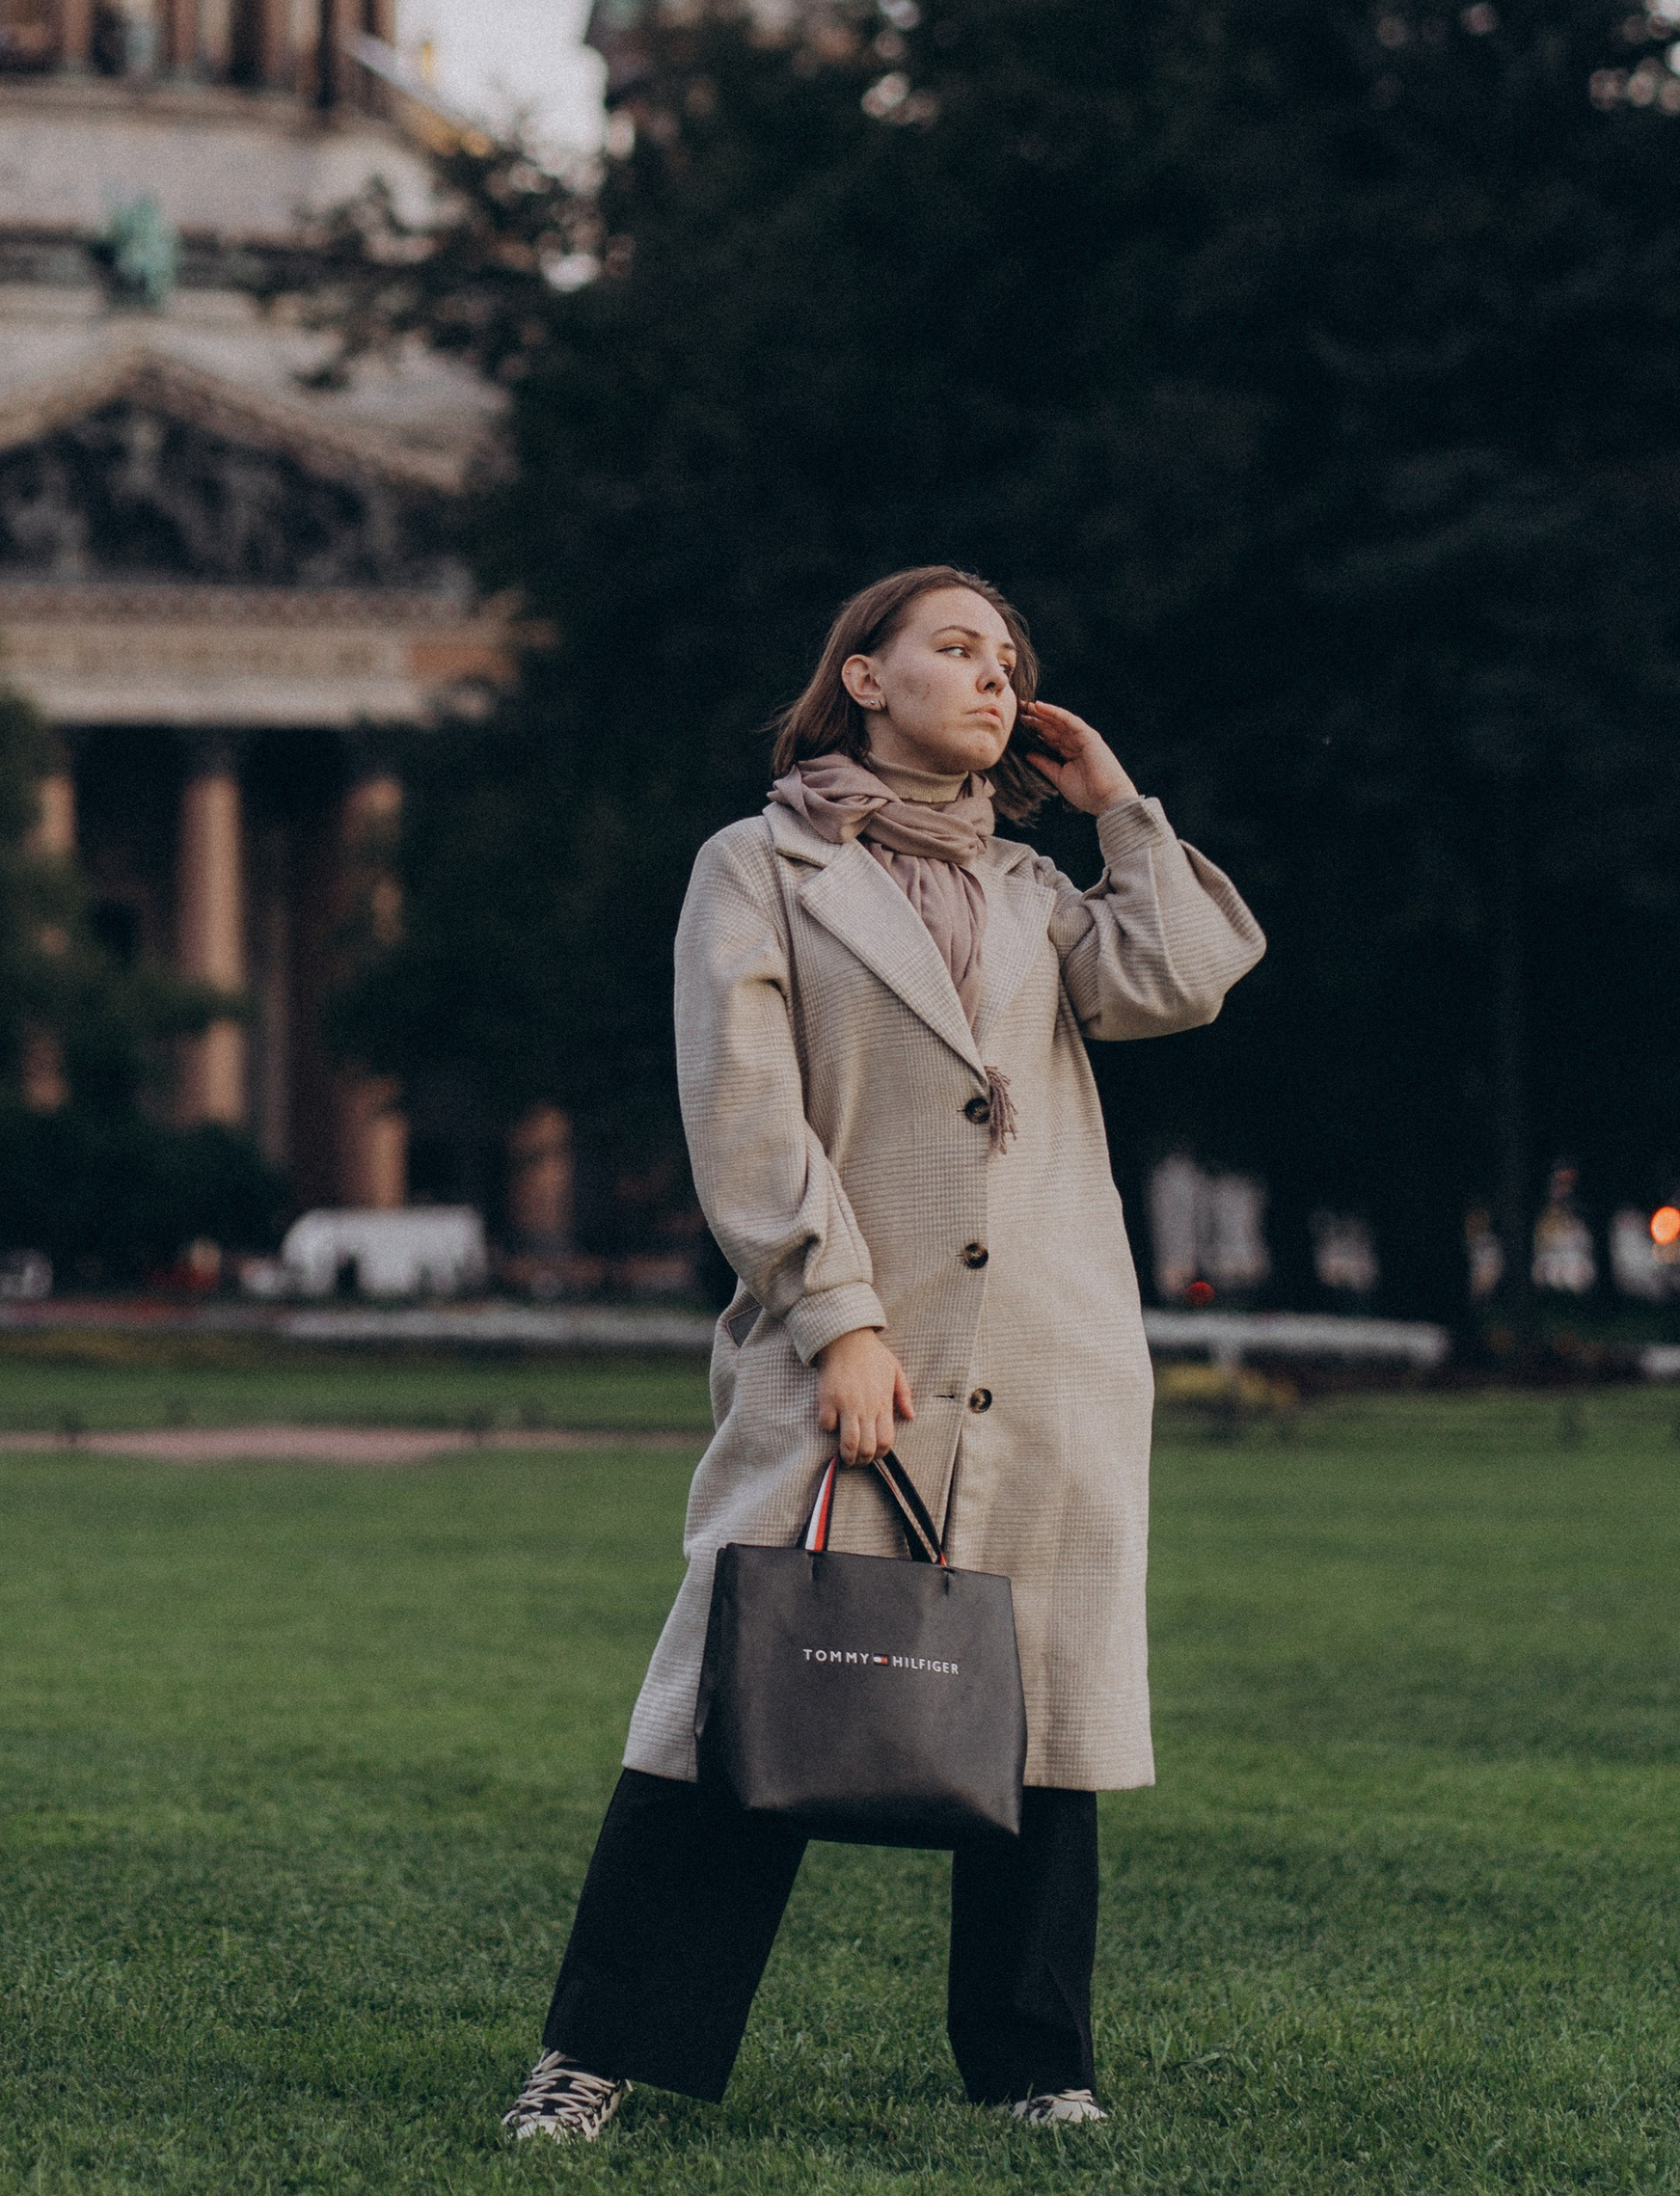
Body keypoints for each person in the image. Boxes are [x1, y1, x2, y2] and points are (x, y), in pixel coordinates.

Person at [502, 566, 1263, 2144]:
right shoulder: (756, 867)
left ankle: (1037, 2067)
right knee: (738, 1694)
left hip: (1050, 1356)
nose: (994, 678)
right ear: (862, 674)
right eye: (956, 649)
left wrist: (1120, 804)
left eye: (1010, 661)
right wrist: (837, 1317)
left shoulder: (1045, 896)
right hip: (851, 1346)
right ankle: (593, 2061)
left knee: (1039, 1714)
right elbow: (747, 1109)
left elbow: (1182, 976)